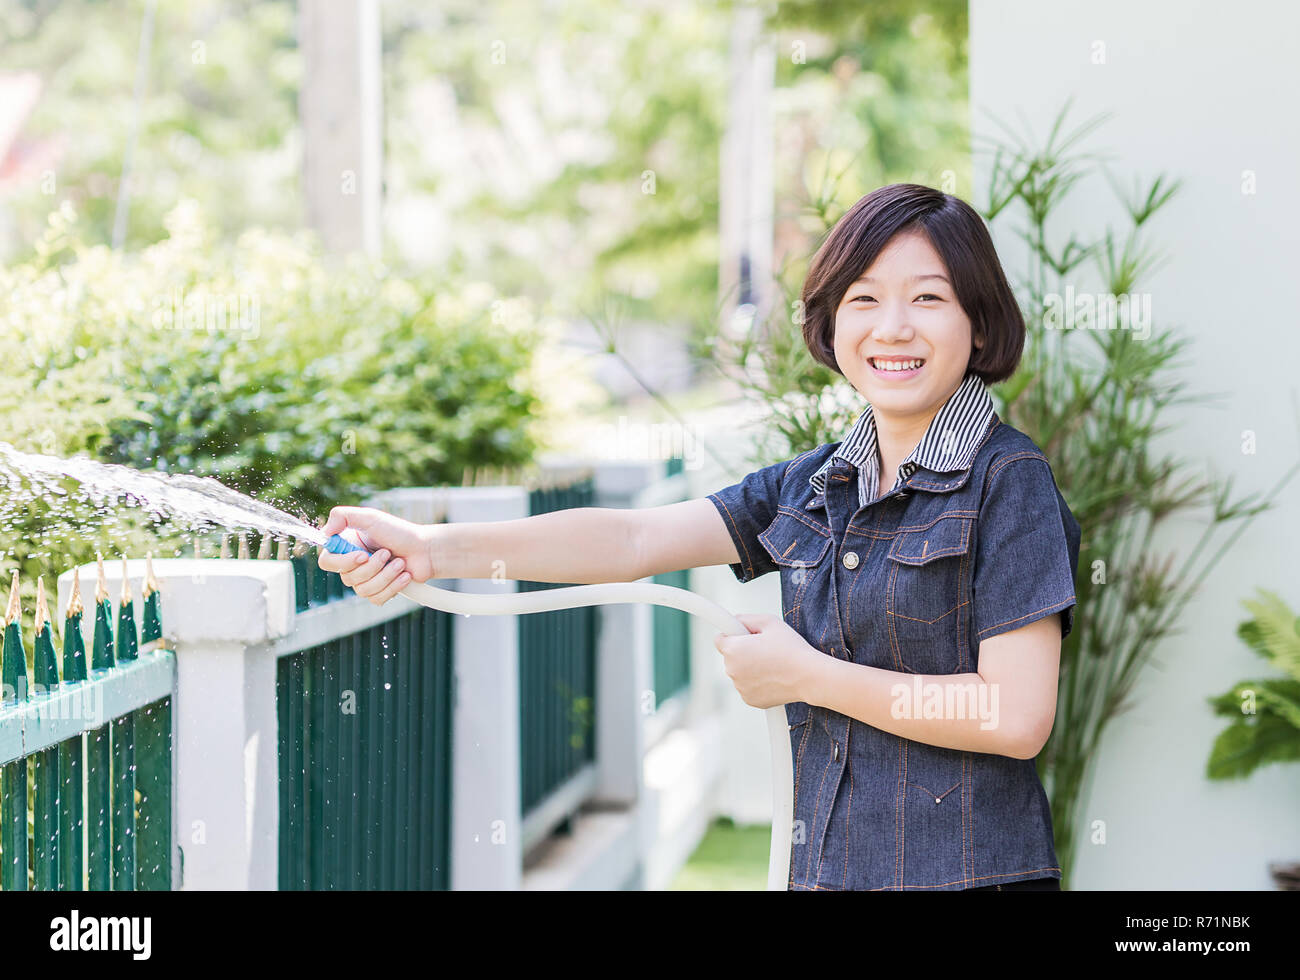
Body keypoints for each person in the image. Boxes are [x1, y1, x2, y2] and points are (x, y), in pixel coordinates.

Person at [318, 182, 1080, 892]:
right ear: (832, 322)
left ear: (978, 322)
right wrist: (431, 546)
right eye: (864, 299)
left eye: (928, 298)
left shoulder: (1008, 481)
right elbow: (630, 540)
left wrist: (808, 677)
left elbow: (1013, 717)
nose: (893, 327)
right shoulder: (814, 485)